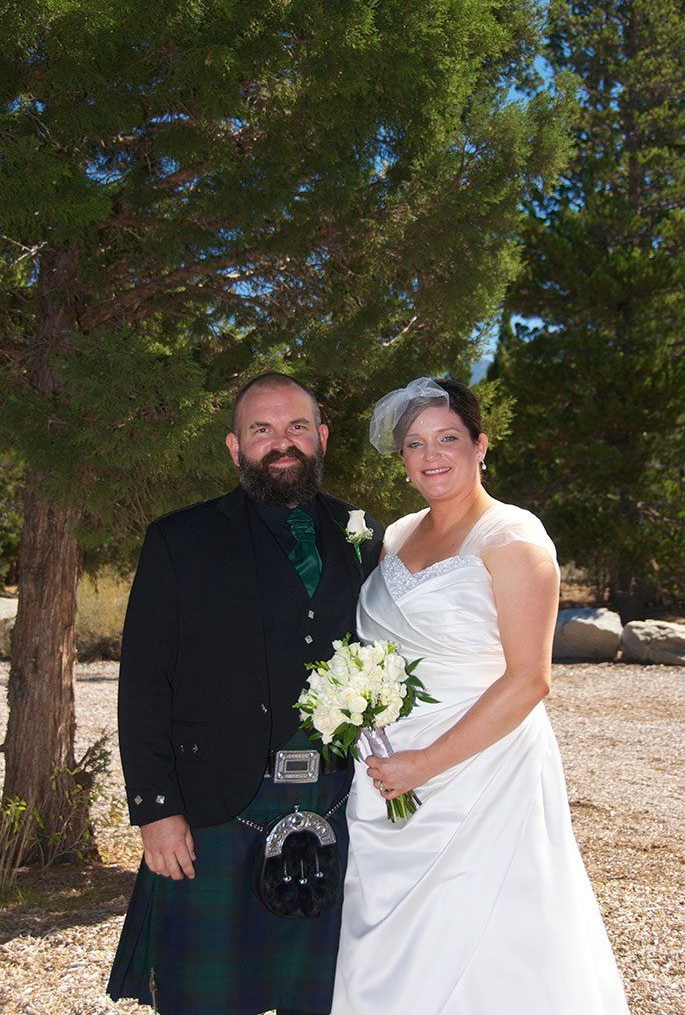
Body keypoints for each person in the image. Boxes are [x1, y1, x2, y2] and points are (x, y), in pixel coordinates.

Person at [332, 377, 630, 1015]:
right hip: (388, 769)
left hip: (481, 770)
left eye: (447, 438)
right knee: (388, 947)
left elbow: (530, 679)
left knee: (484, 935)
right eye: (414, 443)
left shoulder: (514, 540)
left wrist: (424, 763)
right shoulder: (394, 536)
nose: (431, 454)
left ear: (480, 445)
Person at [107, 372, 383, 1015]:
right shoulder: (180, 540)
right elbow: (144, 682)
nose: (280, 443)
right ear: (235, 448)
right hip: (214, 808)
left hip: (337, 802)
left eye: (295, 427)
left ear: (322, 438)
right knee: (209, 998)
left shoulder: (367, 537)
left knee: (322, 996)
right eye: (261, 430)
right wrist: (155, 808)